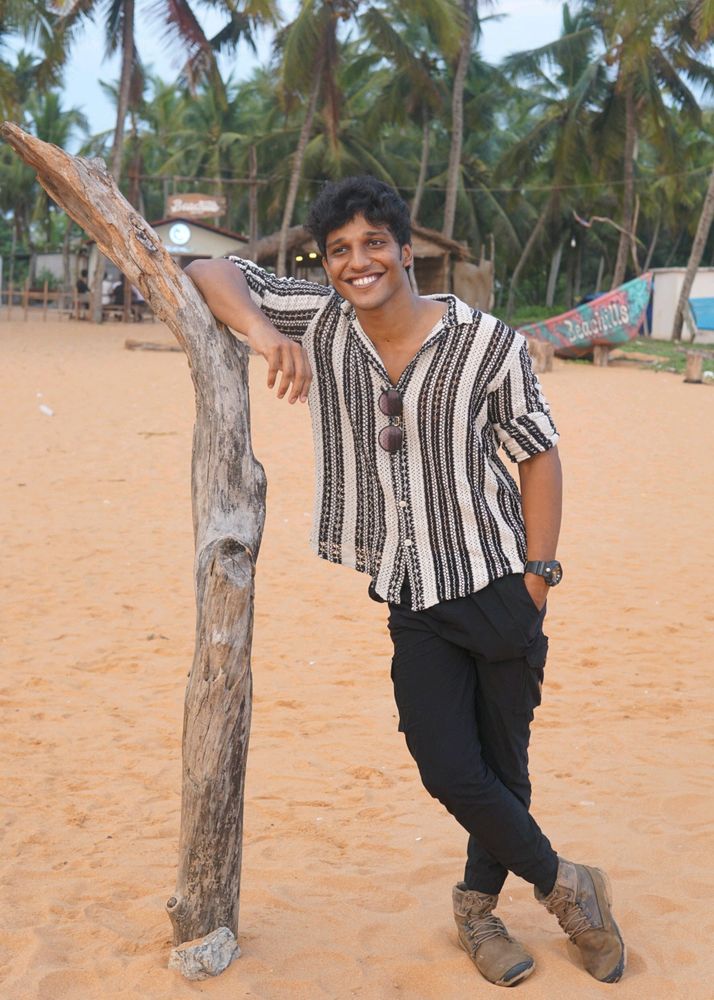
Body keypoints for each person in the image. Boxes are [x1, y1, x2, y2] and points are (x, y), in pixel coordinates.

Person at [185, 176, 625, 988]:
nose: (358, 262)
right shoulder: (322, 321)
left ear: (405, 248)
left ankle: (478, 912)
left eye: (373, 243)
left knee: (504, 768)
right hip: (411, 594)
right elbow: (208, 271)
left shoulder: (485, 342)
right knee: (446, 765)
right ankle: (566, 884)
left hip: (498, 580)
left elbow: (539, 454)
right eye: (339, 250)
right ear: (327, 263)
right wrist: (261, 332)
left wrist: (538, 577)